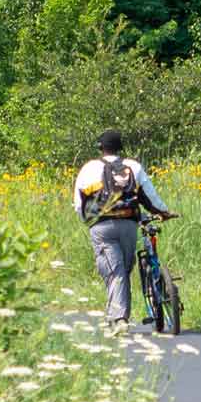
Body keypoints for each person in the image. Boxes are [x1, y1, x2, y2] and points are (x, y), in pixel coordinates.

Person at [73, 129, 176, 327]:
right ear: (120, 148)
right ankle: (119, 315)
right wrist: (164, 212)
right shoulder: (133, 166)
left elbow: (79, 204)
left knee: (115, 271)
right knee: (123, 270)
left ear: (100, 148)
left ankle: (119, 318)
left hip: (101, 227)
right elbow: (150, 196)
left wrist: (89, 222)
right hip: (129, 225)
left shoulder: (89, 168)